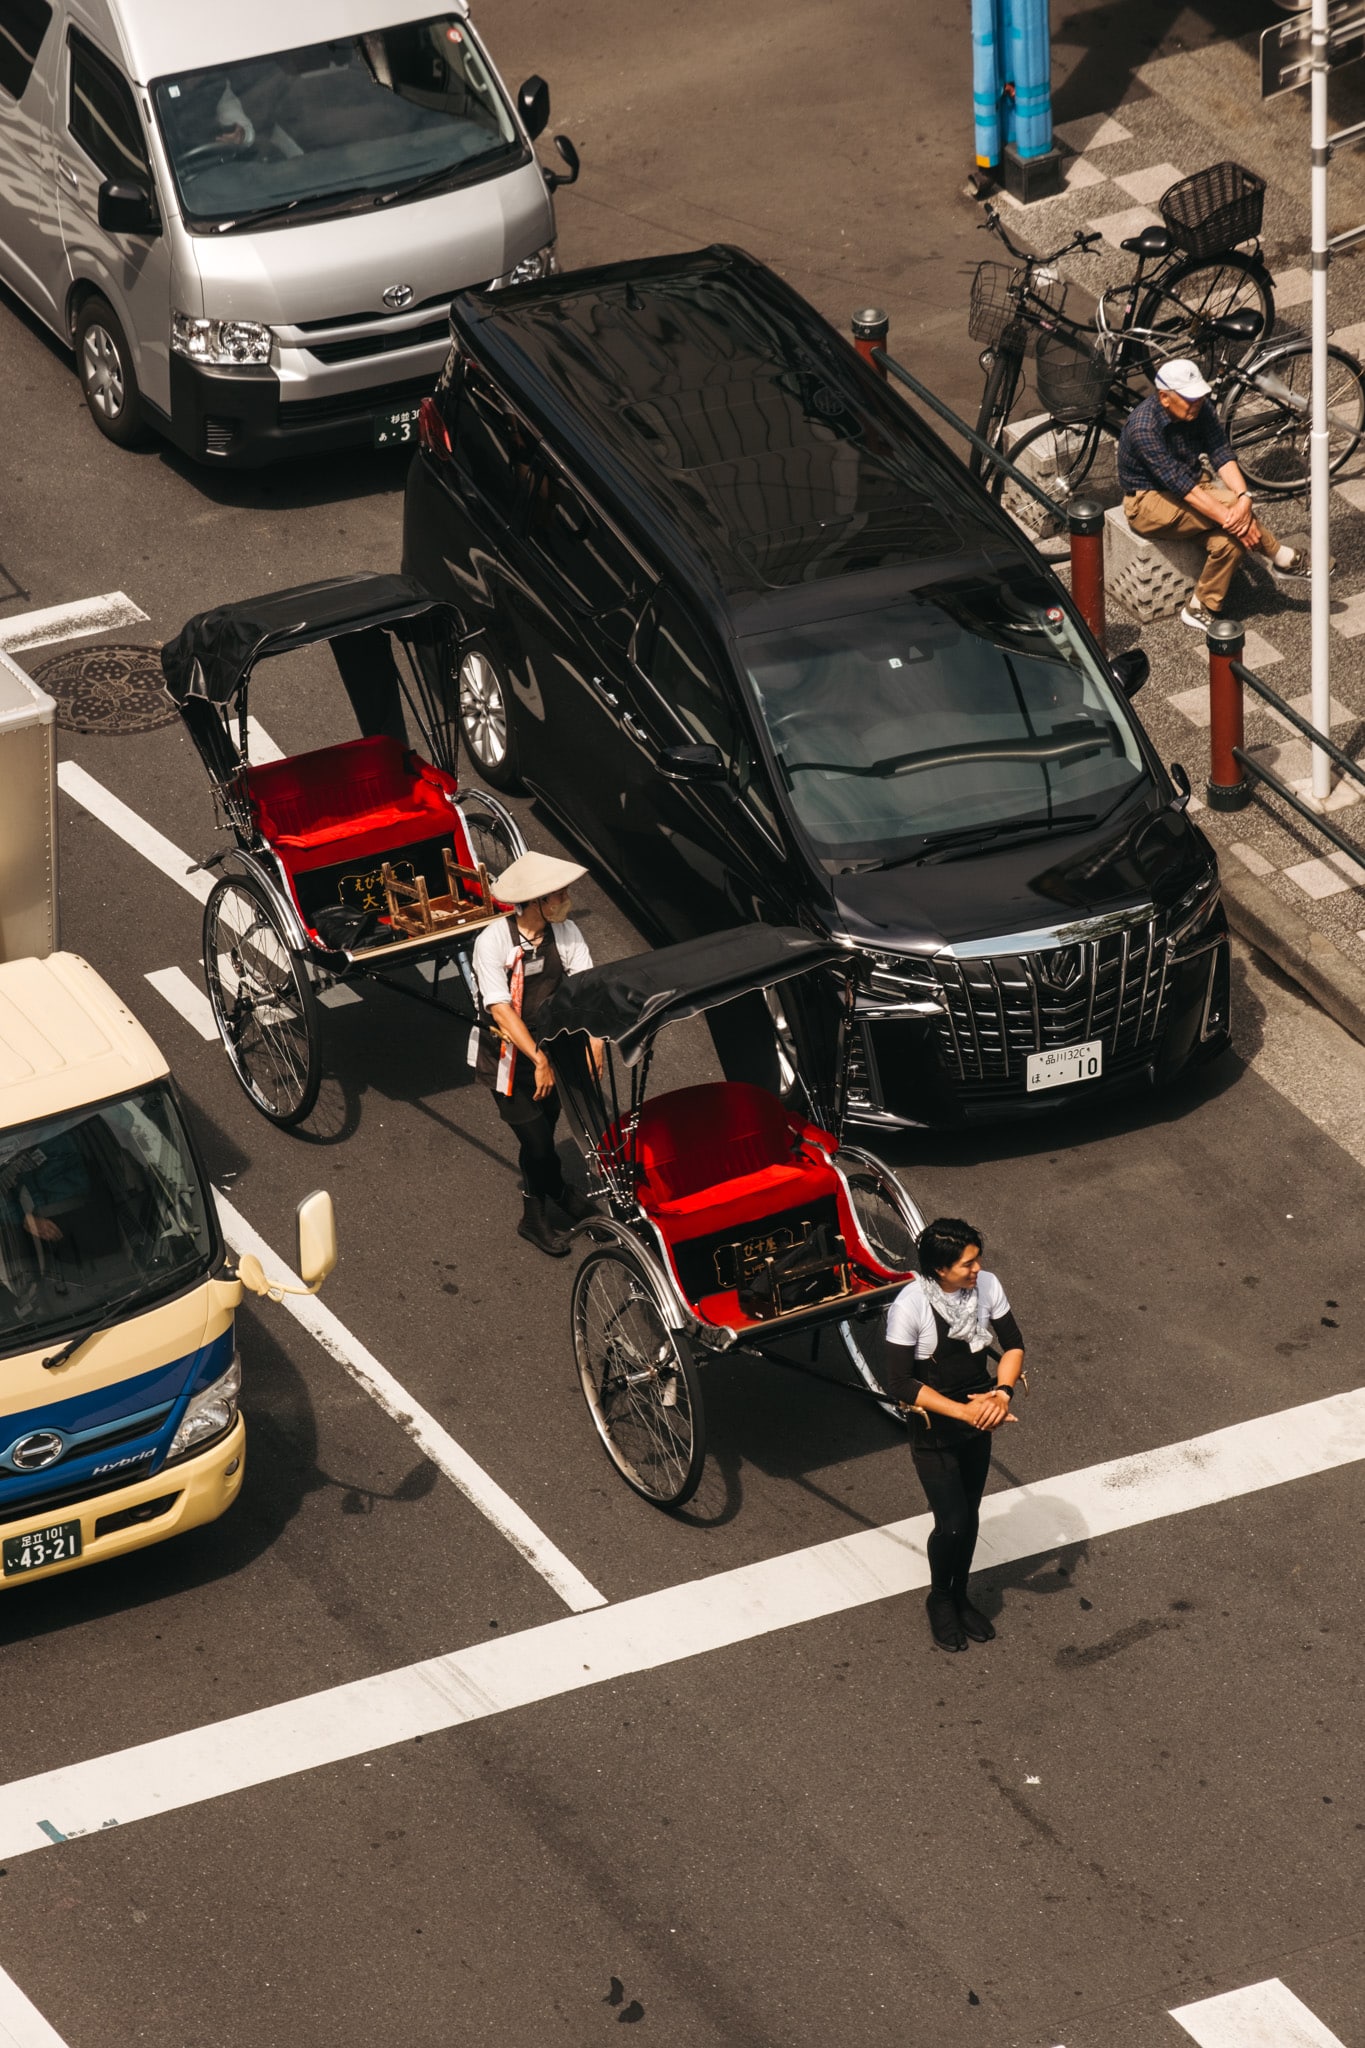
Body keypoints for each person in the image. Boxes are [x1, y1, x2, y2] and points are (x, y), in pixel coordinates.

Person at [878, 1218, 1026, 1654]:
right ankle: (940, 1598)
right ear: (940, 1270)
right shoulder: (911, 1307)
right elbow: (900, 1383)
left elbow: (1014, 1344)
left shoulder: (987, 1286)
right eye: (968, 1263)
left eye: (978, 1258)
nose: (978, 1268)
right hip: (935, 1424)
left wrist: (1000, 1395)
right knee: (953, 1522)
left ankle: (961, 1593)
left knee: (972, 1512)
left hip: (980, 1412)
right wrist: (965, 1411)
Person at [1117, 359, 1310, 633]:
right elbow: (1182, 486)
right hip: (1146, 501)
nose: (1197, 403)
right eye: (1189, 399)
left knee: (1230, 544)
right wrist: (1236, 511)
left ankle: (1199, 607)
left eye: (1199, 396)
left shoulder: (1200, 409)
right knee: (1230, 508)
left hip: (1193, 486)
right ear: (1164, 397)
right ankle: (1281, 556)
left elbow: (1221, 453)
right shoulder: (1143, 428)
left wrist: (1244, 497)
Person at [472, 851, 601, 1257]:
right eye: (558, 894)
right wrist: (537, 1060)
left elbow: (587, 990)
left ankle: (540, 1211)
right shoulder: (492, 940)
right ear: (535, 902)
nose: (565, 899)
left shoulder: (566, 934)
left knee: (541, 1135)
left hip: (556, 1053)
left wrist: (594, 1045)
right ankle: (555, 1197)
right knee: (540, 1144)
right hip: (509, 1059)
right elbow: (500, 1009)